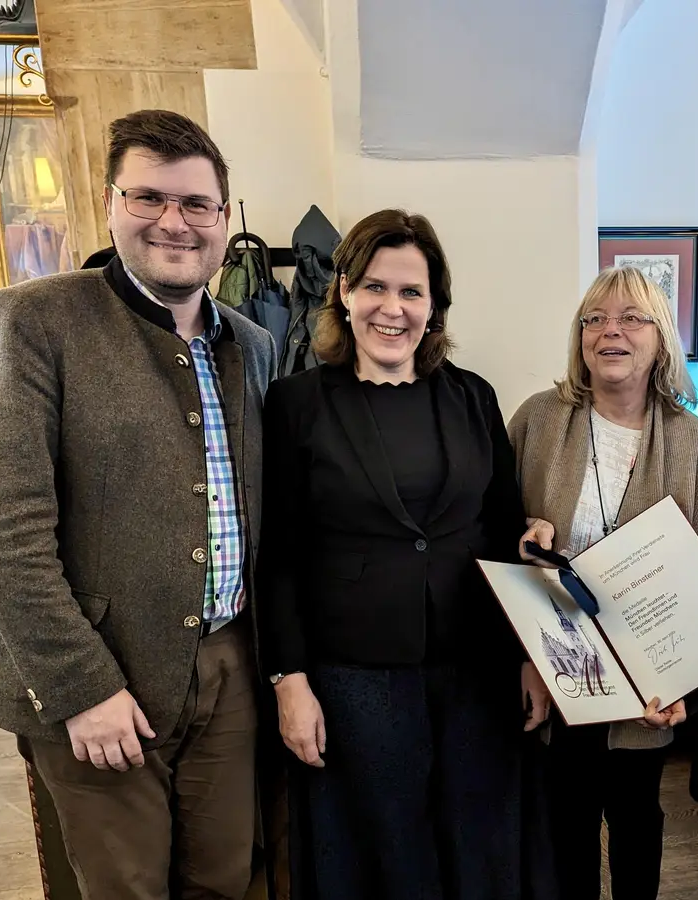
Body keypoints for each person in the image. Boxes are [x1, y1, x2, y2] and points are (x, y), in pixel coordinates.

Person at [0, 109, 278, 900]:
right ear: (110, 202)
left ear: (224, 217)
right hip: (103, 669)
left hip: (228, 666)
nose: (174, 223)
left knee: (225, 881)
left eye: (196, 204)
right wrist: (82, 688)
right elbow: (3, 532)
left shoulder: (252, 345)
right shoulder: (37, 320)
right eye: (149, 198)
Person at [257, 208, 547, 900]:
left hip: (476, 676)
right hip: (355, 682)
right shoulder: (296, 403)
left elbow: (505, 530)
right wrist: (289, 681)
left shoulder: (474, 397)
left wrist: (531, 657)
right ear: (345, 293)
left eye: (412, 292)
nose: (393, 308)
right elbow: (280, 554)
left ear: (434, 305)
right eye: (375, 287)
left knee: (478, 851)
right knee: (381, 859)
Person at [509, 266, 698, 900]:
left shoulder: (694, 441)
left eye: (632, 319)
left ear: (661, 338)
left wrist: (681, 680)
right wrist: (523, 534)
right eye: (596, 319)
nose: (611, 332)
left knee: (635, 816)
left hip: (645, 672)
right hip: (555, 660)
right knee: (563, 817)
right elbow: (492, 527)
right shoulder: (538, 419)